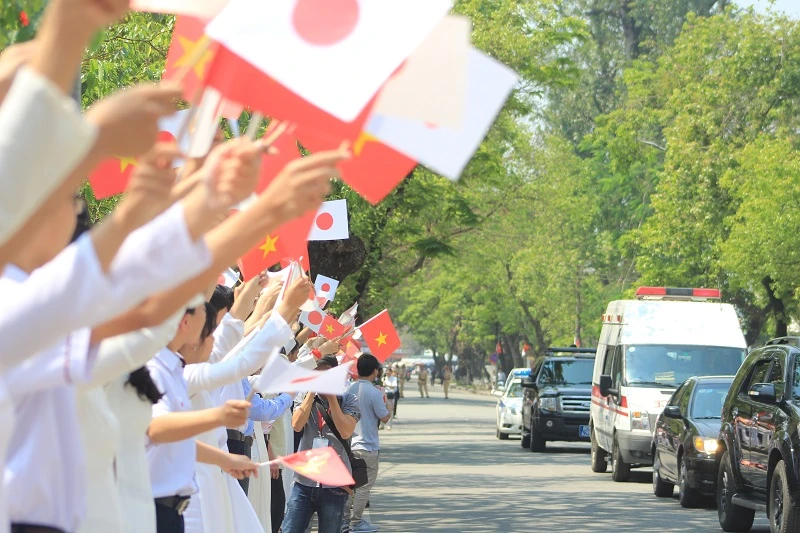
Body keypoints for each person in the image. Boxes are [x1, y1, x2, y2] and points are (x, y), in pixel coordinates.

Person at [283, 355, 360, 533]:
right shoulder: (304, 396)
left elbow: (345, 431)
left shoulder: (349, 399)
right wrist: (311, 393)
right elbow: (296, 425)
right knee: (290, 529)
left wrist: (332, 398)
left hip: (334, 485)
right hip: (304, 481)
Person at [344, 354, 391, 533]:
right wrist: (387, 403)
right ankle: (356, 522)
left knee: (349, 486)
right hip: (368, 446)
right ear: (375, 371)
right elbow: (385, 417)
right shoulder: (374, 392)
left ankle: (344, 521)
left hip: (349, 444)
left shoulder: (349, 389)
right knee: (364, 487)